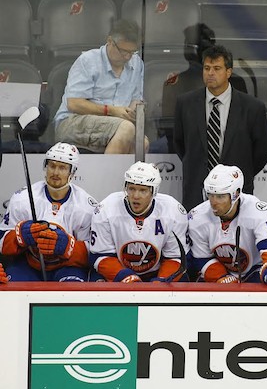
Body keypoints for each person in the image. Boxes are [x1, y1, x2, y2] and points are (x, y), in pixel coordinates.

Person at [173, 44, 267, 211]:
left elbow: (262, 151)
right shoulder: (185, 104)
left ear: (228, 72)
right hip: (196, 192)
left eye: (217, 68)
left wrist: (240, 175)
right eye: (207, 68)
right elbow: (179, 144)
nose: (210, 73)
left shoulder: (252, 107)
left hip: (237, 193)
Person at [0, 142, 97, 281]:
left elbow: (95, 254)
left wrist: (68, 247)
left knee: (73, 292)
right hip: (28, 265)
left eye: (62, 168)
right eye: (52, 166)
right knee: (14, 288)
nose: (55, 172)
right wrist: (20, 235)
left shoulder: (86, 207)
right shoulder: (23, 198)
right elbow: (2, 243)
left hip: (67, 267)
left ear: (72, 172)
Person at [187, 164, 267, 287]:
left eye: (220, 196)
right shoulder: (197, 217)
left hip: (255, 269)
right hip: (221, 269)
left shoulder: (257, 211)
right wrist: (222, 277)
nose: (213, 203)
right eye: (210, 195)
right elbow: (202, 257)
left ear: (236, 194)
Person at [54, 19, 148, 154]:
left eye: (132, 52)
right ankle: (107, 175)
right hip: (72, 121)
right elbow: (74, 104)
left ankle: (121, 175)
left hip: (117, 124)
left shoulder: (137, 63)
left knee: (142, 143)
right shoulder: (88, 60)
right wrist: (112, 111)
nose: (127, 56)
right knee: (126, 129)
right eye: (123, 51)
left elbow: (135, 99)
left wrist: (133, 112)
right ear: (110, 41)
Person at [89, 161, 189, 283]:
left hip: (157, 273)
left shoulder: (172, 211)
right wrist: (126, 277)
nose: (136, 196)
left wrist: (160, 282)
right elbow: (99, 256)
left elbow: (175, 258)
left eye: (143, 190)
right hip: (119, 274)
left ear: (154, 192)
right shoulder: (106, 209)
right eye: (131, 189)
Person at [161, 23, 249, 153]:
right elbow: (172, 133)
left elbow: (249, 136)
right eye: (188, 45)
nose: (189, 49)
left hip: (233, 162)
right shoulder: (174, 84)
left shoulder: (236, 82)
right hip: (192, 161)